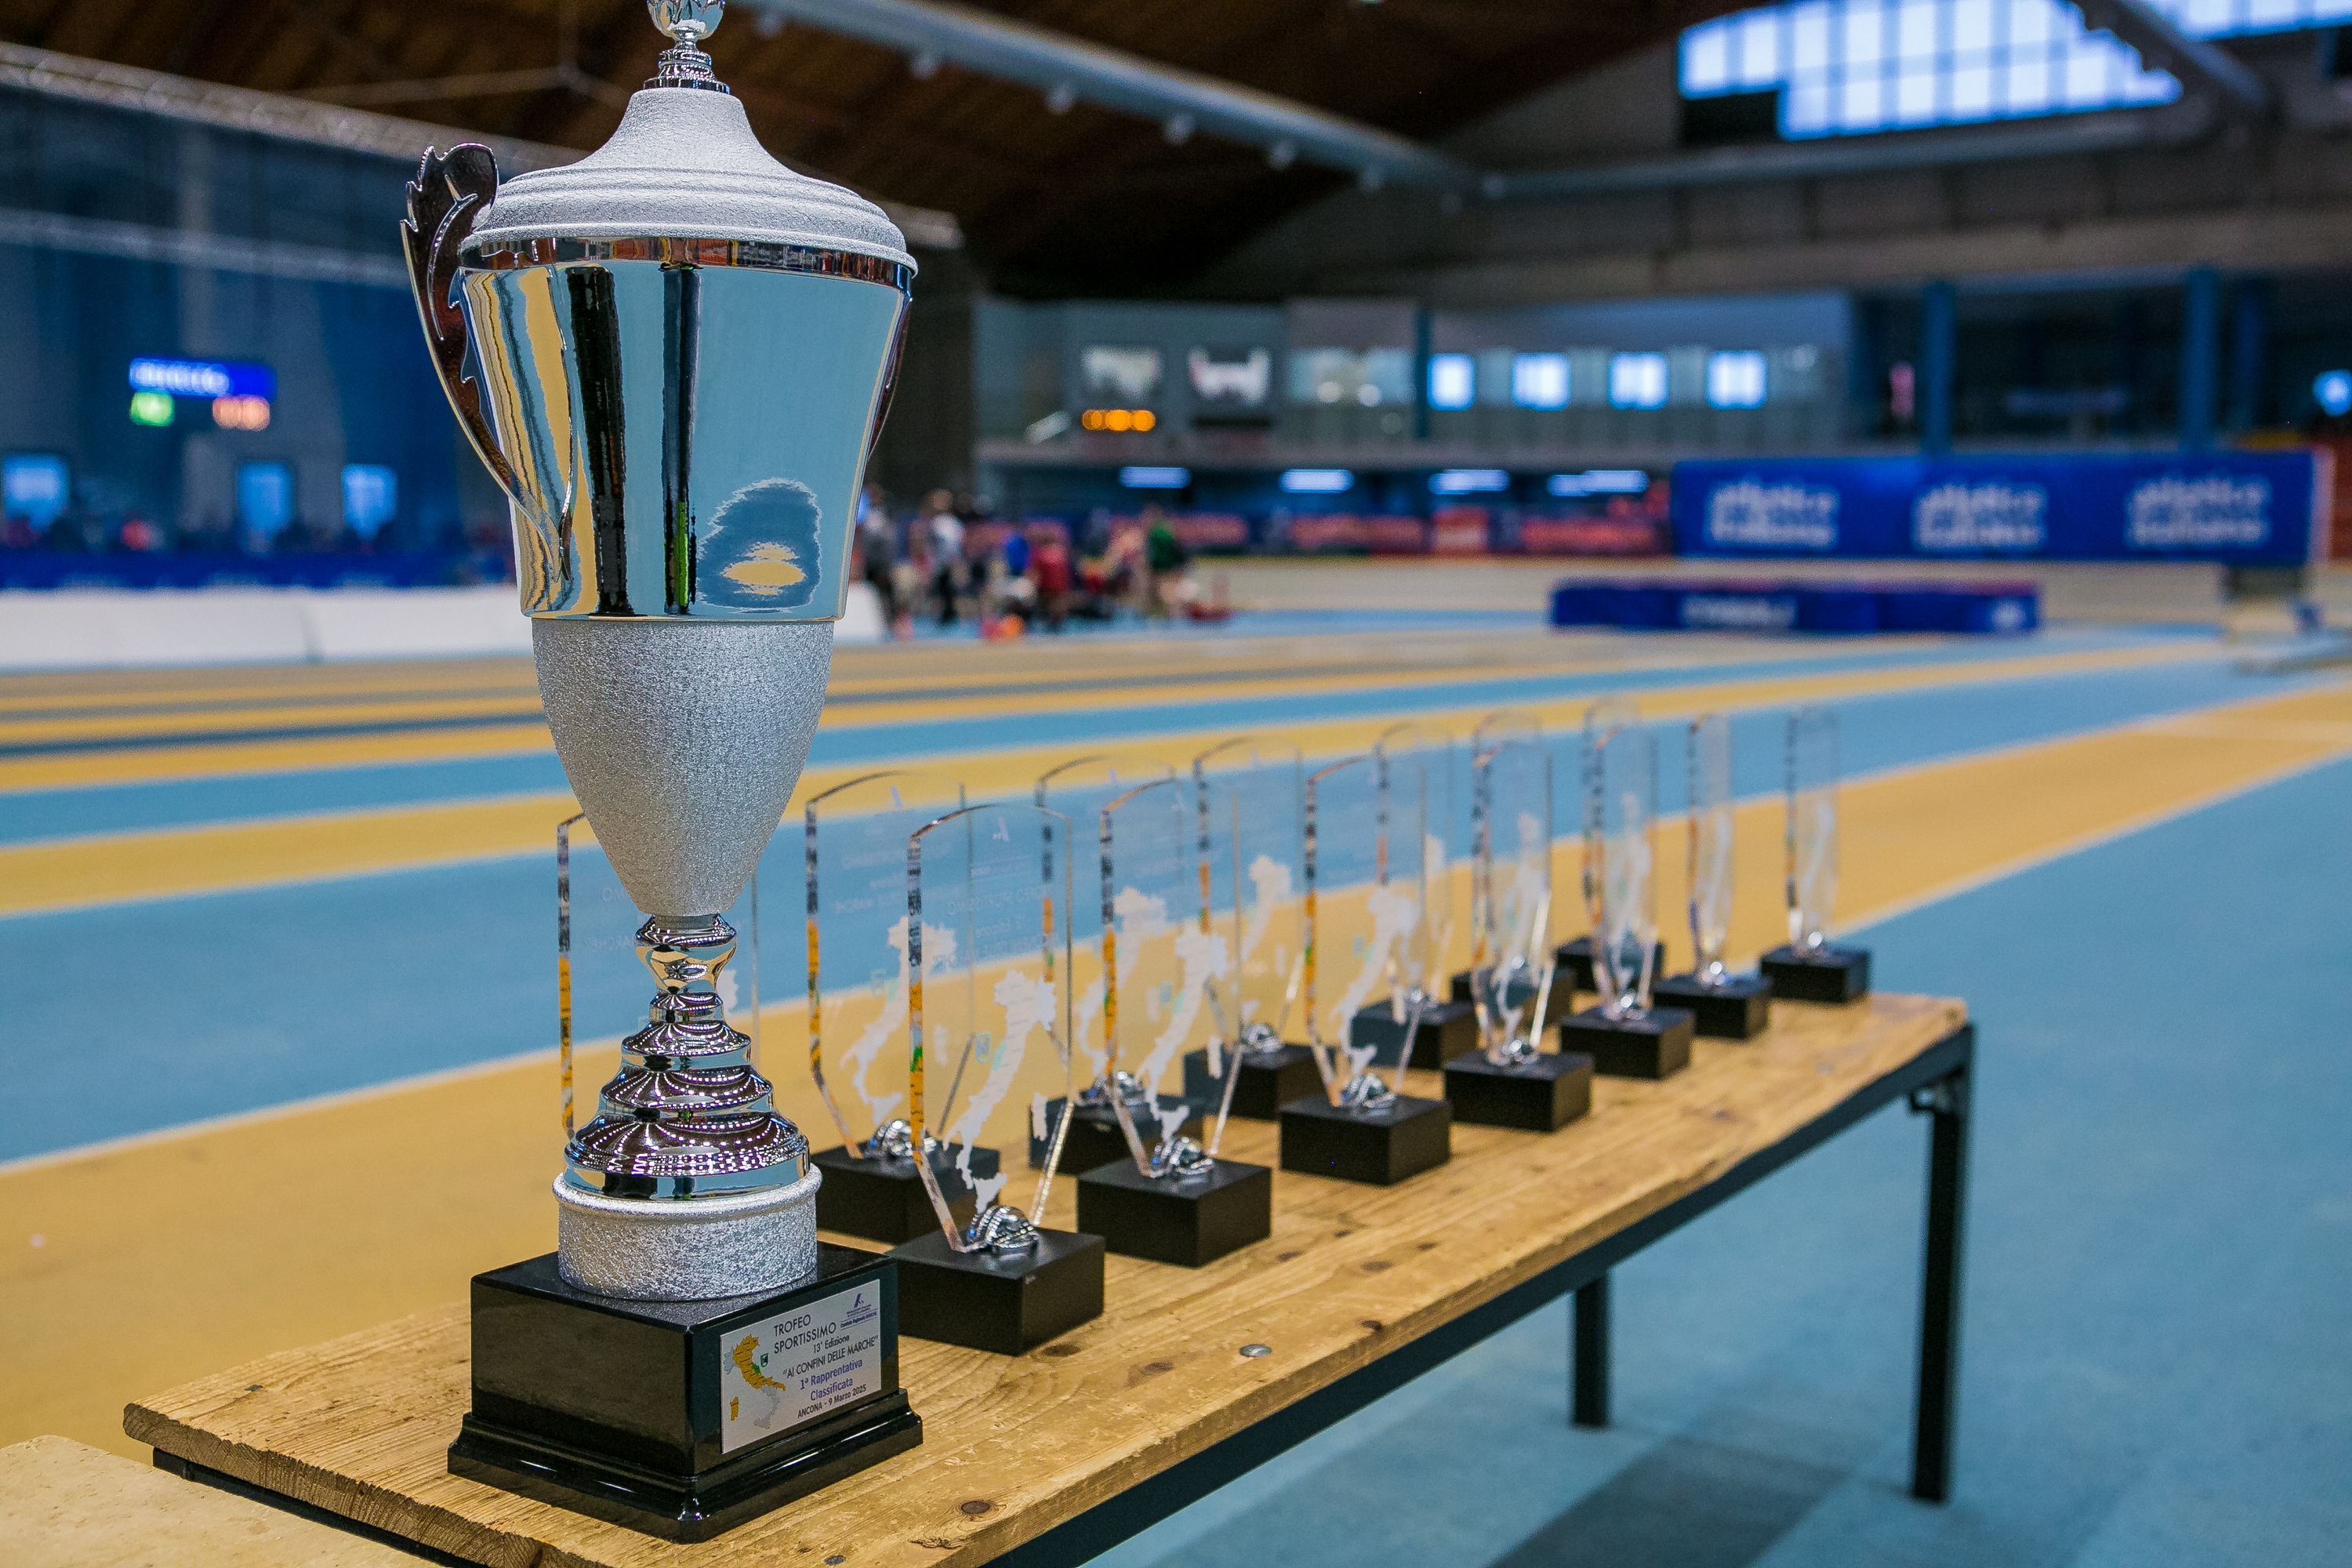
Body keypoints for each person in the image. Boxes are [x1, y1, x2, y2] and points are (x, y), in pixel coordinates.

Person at [920, 489, 964, 626]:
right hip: (936, 563)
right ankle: (936, 618)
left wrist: (954, 563)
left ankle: (949, 616)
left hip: (949, 563)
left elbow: (955, 546)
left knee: (949, 592)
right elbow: (928, 546)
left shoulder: (952, 523)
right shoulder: (932, 522)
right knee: (936, 592)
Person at [1143, 508, 1189, 621]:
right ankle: (1173, 614)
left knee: (1166, 593)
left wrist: (1152, 567)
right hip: (1169, 566)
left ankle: (1170, 614)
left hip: (1163, 567)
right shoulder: (1167, 529)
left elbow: (1155, 554)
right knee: (1168, 593)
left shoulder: (1156, 533)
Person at [1029, 527, 1071, 633]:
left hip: (1049, 588)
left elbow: (1035, 573)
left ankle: (1048, 624)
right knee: (1055, 607)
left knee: (1048, 606)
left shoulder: (1040, 553)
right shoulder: (1060, 552)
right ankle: (1055, 624)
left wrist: (1032, 586)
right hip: (1057, 588)